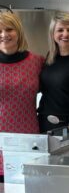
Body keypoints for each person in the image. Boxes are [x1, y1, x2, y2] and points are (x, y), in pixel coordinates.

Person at [0, 12, 43, 180]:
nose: (4, 35)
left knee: (30, 191)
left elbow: (59, 85)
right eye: (0, 30)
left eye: (9, 29)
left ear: (18, 32)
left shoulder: (37, 62)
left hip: (28, 137)